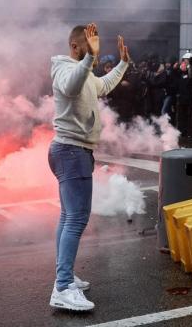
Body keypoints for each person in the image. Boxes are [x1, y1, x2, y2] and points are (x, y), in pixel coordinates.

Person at [48, 23, 130, 312]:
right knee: (76, 219)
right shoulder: (63, 69)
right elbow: (70, 88)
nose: (95, 50)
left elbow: (104, 85)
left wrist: (122, 64)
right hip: (70, 151)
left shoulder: (84, 71)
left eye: (97, 43)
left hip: (73, 151)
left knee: (68, 216)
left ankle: (65, 275)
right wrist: (88, 60)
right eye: (90, 44)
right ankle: (62, 287)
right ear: (74, 47)